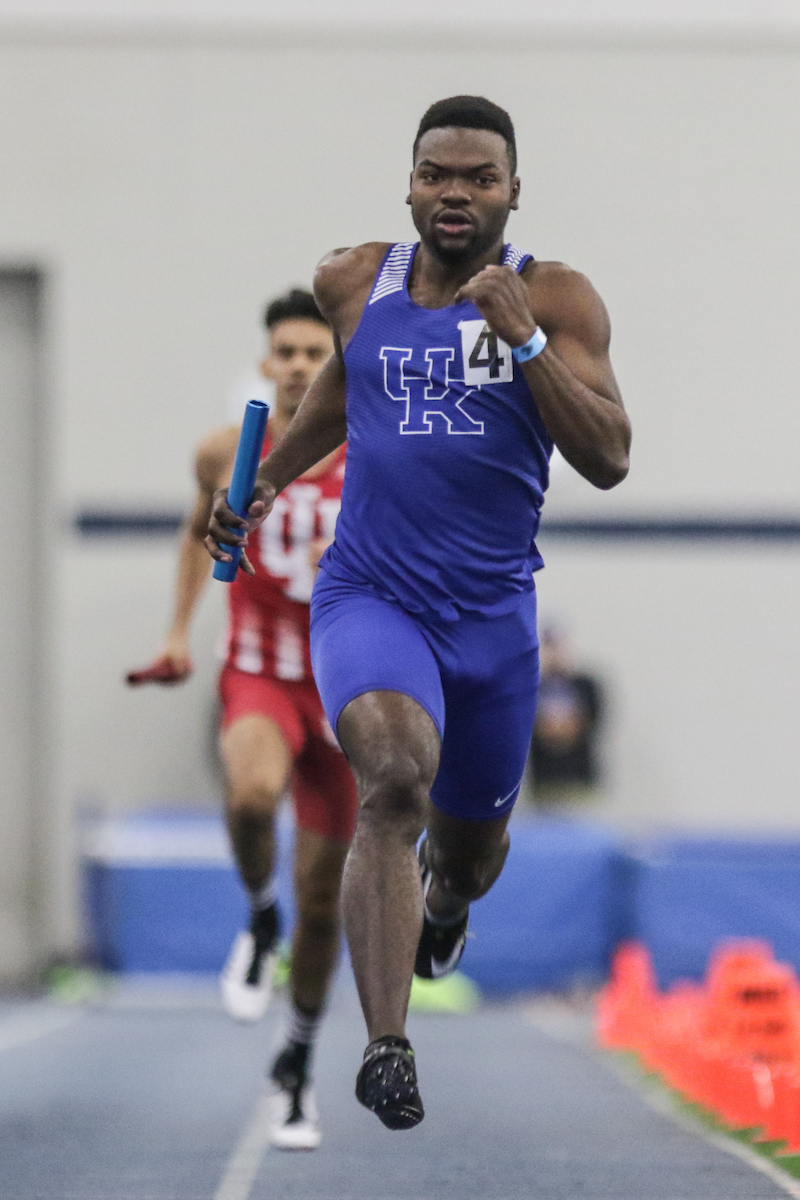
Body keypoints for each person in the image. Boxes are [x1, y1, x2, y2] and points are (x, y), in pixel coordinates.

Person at [206, 96, 631, 1131]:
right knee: (392, 778)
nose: (455, 193)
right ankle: (386, 1045)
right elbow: (341, 400)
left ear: (510, 192)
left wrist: (525, 344)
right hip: (371, 596)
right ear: (408, 182)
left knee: (470, 856)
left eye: (478, 178)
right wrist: (264, 484)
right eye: (436, 174)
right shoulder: (353, 282)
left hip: (491, 620)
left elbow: (609, 457)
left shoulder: (555, 296)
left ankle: (444, 911)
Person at [127, 288, 357, 1150]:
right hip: (259, 671)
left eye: (314, 353)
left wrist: (366, 552)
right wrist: (180, 632)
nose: (299, 367)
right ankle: (261, 920)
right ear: (265, 363)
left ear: (332, 363)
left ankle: (294, 1065)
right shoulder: (227, 452)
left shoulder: (369, 450)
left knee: (326, 899)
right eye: (285, 353)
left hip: (342, 688)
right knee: (253, 795)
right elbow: (197, 533)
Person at [529, 624, 605, 805]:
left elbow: (593, 720)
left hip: (579, 778)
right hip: (543, 780)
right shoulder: (532, 688)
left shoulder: (585, 686)